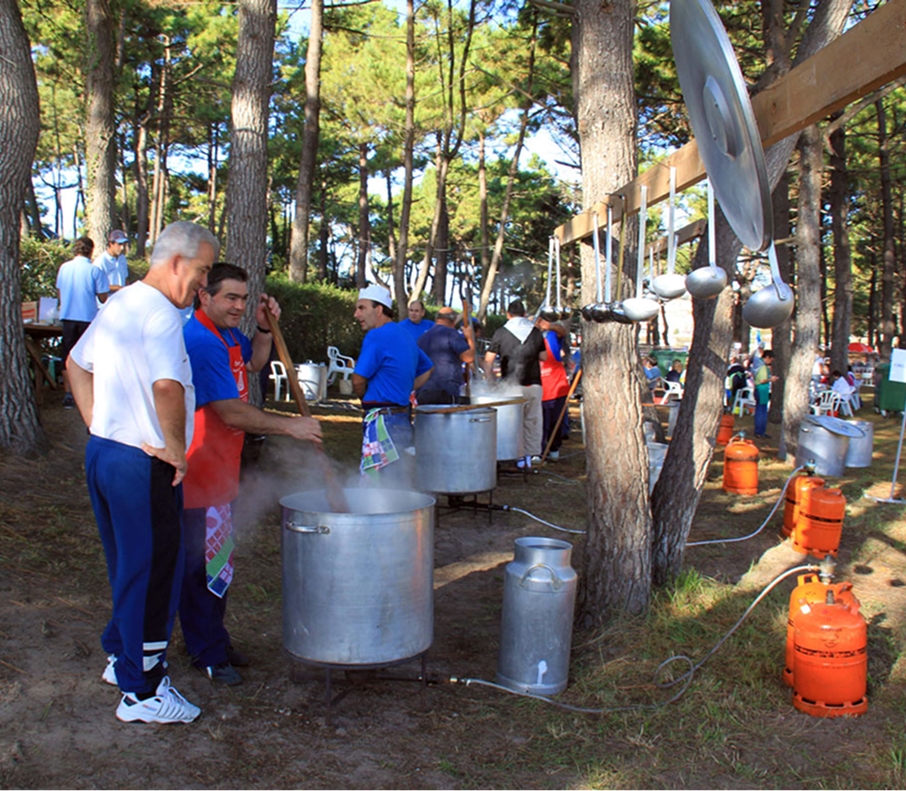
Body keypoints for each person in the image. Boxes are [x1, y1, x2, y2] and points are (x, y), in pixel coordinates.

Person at [67, 221, 218, 725]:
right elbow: (167, 388)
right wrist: (176, 450)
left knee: (127, 564)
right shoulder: (159, 315)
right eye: (200, 271)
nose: (201, 284)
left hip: (107, 453)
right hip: (142, 463)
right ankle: (143, 690)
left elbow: (75, 363)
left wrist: (98, 425)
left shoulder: (121, 302)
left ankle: (120, 654)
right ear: (176, 261)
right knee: (154, 573)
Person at [179, 263, 322, 685]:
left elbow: (255, 363)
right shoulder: (201, 340)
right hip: (198, 471)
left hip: (223, 469)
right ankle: (205, 649)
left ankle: (212, 638)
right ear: (204, 296)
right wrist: (289, 425)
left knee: (217, 559)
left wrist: (262, 330)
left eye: (244, 298)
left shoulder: (225, 335)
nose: (239, 305)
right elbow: (228, 410)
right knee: (200, 564)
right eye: (231, 298)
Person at [353, 285, 433, 481]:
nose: (356, 314)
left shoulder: (376, 335)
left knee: (376, 483)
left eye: (362, 308)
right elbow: (428, 368)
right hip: (402, 419)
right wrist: (404, 388)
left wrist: (363, 396)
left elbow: (358, 379)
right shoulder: (404, 334)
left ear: (378, 309)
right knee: (397, 482)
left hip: (382, 421)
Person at [483, 300, 547, 469]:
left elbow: (488, 361)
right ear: (525, 314)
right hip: (533, 384)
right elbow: (544, 357)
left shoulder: (501, 332)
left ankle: (516, 456)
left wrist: (491, 381)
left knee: (513, 423)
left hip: (510, 386)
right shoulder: (535, 332)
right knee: (532, 420)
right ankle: (532, 455)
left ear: (508, 314)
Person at [57, 236, 109, 408]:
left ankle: (68, 394)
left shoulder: (64, 268)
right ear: (91, 251)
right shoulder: (94, 271)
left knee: (67, 356)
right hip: (87, 318)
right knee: (88, 358)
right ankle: (88, 396)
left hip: (67, 316)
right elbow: (103, 297)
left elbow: (59, 293)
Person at [415, 306, 475, 405]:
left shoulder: (422, 338)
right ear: (453, 320)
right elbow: (468, 357)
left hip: (423, 391)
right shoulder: (451, 334)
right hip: (445, 391)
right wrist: (470, 338)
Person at [536, 316, 569, 461]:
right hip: (538, 388)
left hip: (556, 387)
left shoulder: (550, 336)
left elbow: (562, 331)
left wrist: (549, 325)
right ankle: (539, 451)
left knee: (555, 421)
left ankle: (554, 449)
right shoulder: (528, 340)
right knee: (539, 423)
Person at [753, 349, 778, 438]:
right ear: (767, 357)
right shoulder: (763, 367)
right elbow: (762, 380)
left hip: (759, 389)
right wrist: (771, 379)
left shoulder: (757, 364)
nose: (770, 362)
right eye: (770, 360)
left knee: (761, 411)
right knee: (761, 412)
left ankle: (760, 431)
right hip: (761, 390)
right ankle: (759, 431)